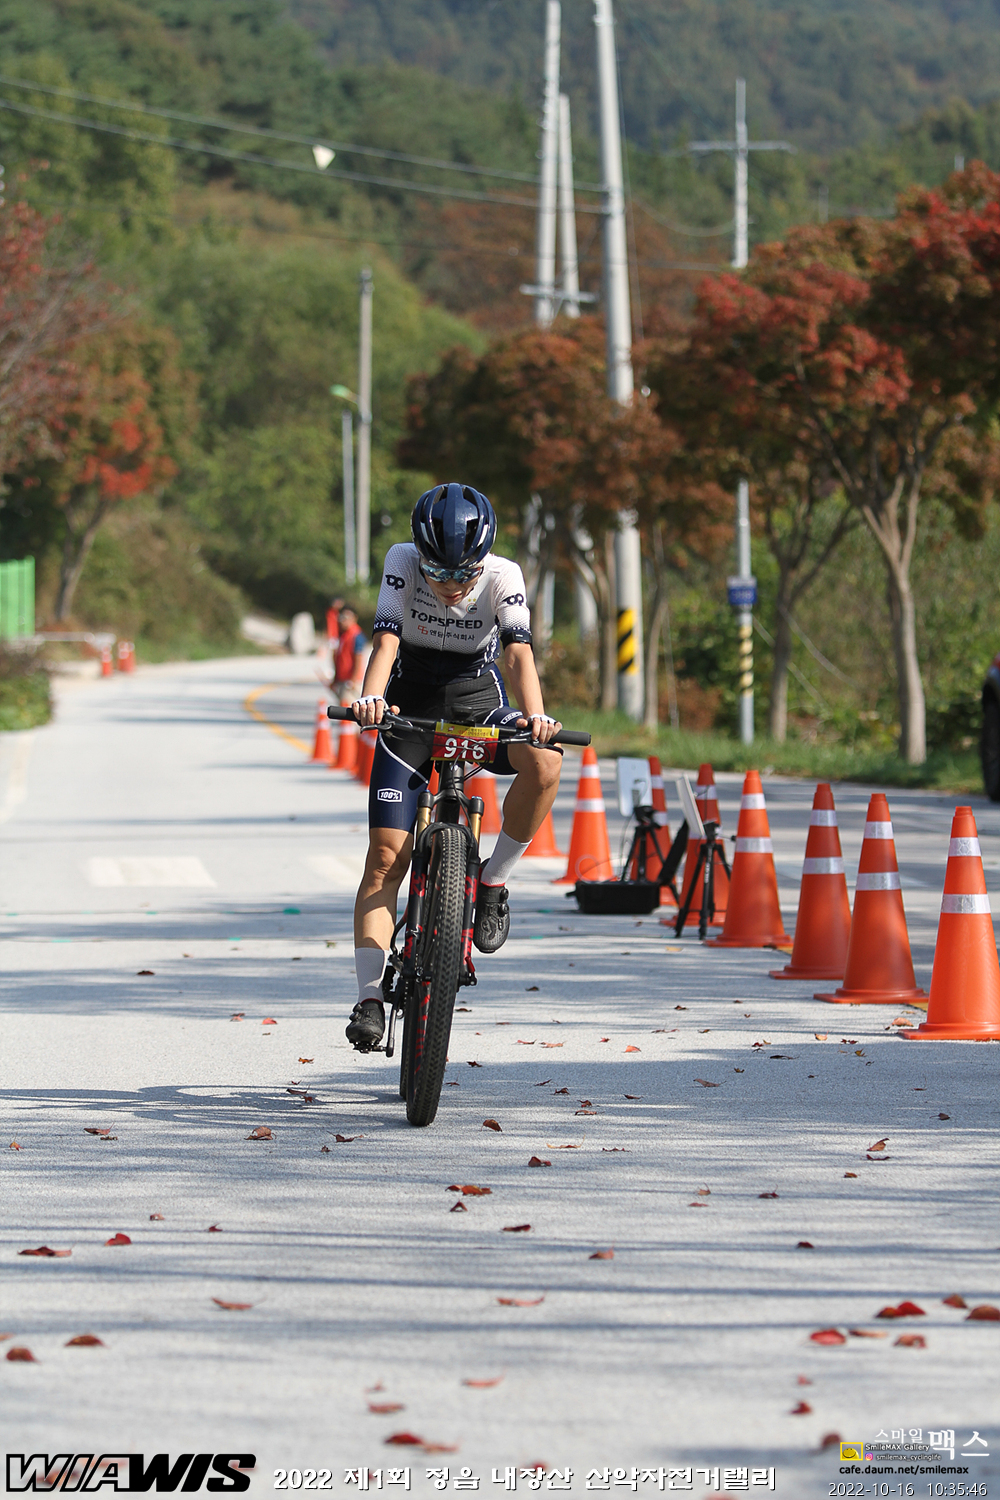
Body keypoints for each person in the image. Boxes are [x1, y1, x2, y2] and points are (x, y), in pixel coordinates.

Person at [345, 482, 563, 1052]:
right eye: (437, 572)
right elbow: (386, 641)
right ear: (419, 555)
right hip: (410, 704)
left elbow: (517, 653)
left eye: (464, 573)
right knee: (385, 860)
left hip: (476, 700)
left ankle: (493, 882)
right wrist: (371, 699)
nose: (450, 585)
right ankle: (369, 999)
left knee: (545, 763)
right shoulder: (401, 560)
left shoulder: (504, 575)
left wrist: (535, 716)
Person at [331, 605, 367, 702]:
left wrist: (353, 680)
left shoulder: (356, 635)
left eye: (346, 618)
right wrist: (335, 679)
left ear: (354, 618)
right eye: (341, 617)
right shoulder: (343, 635)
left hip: (350, 681)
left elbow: (358, 658)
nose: (343, 621)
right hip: (342, 679)